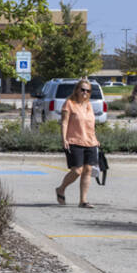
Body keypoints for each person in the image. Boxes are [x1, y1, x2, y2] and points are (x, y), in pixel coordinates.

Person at [55, 79, 99, 208]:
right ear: (77, 90)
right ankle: (61, 189)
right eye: (82, 89)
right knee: (77, 171)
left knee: (88, 170)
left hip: (90, 141)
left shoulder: (89, 105)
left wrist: (95, 139)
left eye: (88, 90)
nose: (85, 92)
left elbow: (91, 124)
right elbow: (64, 123)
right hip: (74, 141)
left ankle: (83, 201)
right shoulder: (69, 104)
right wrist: (64, 139)